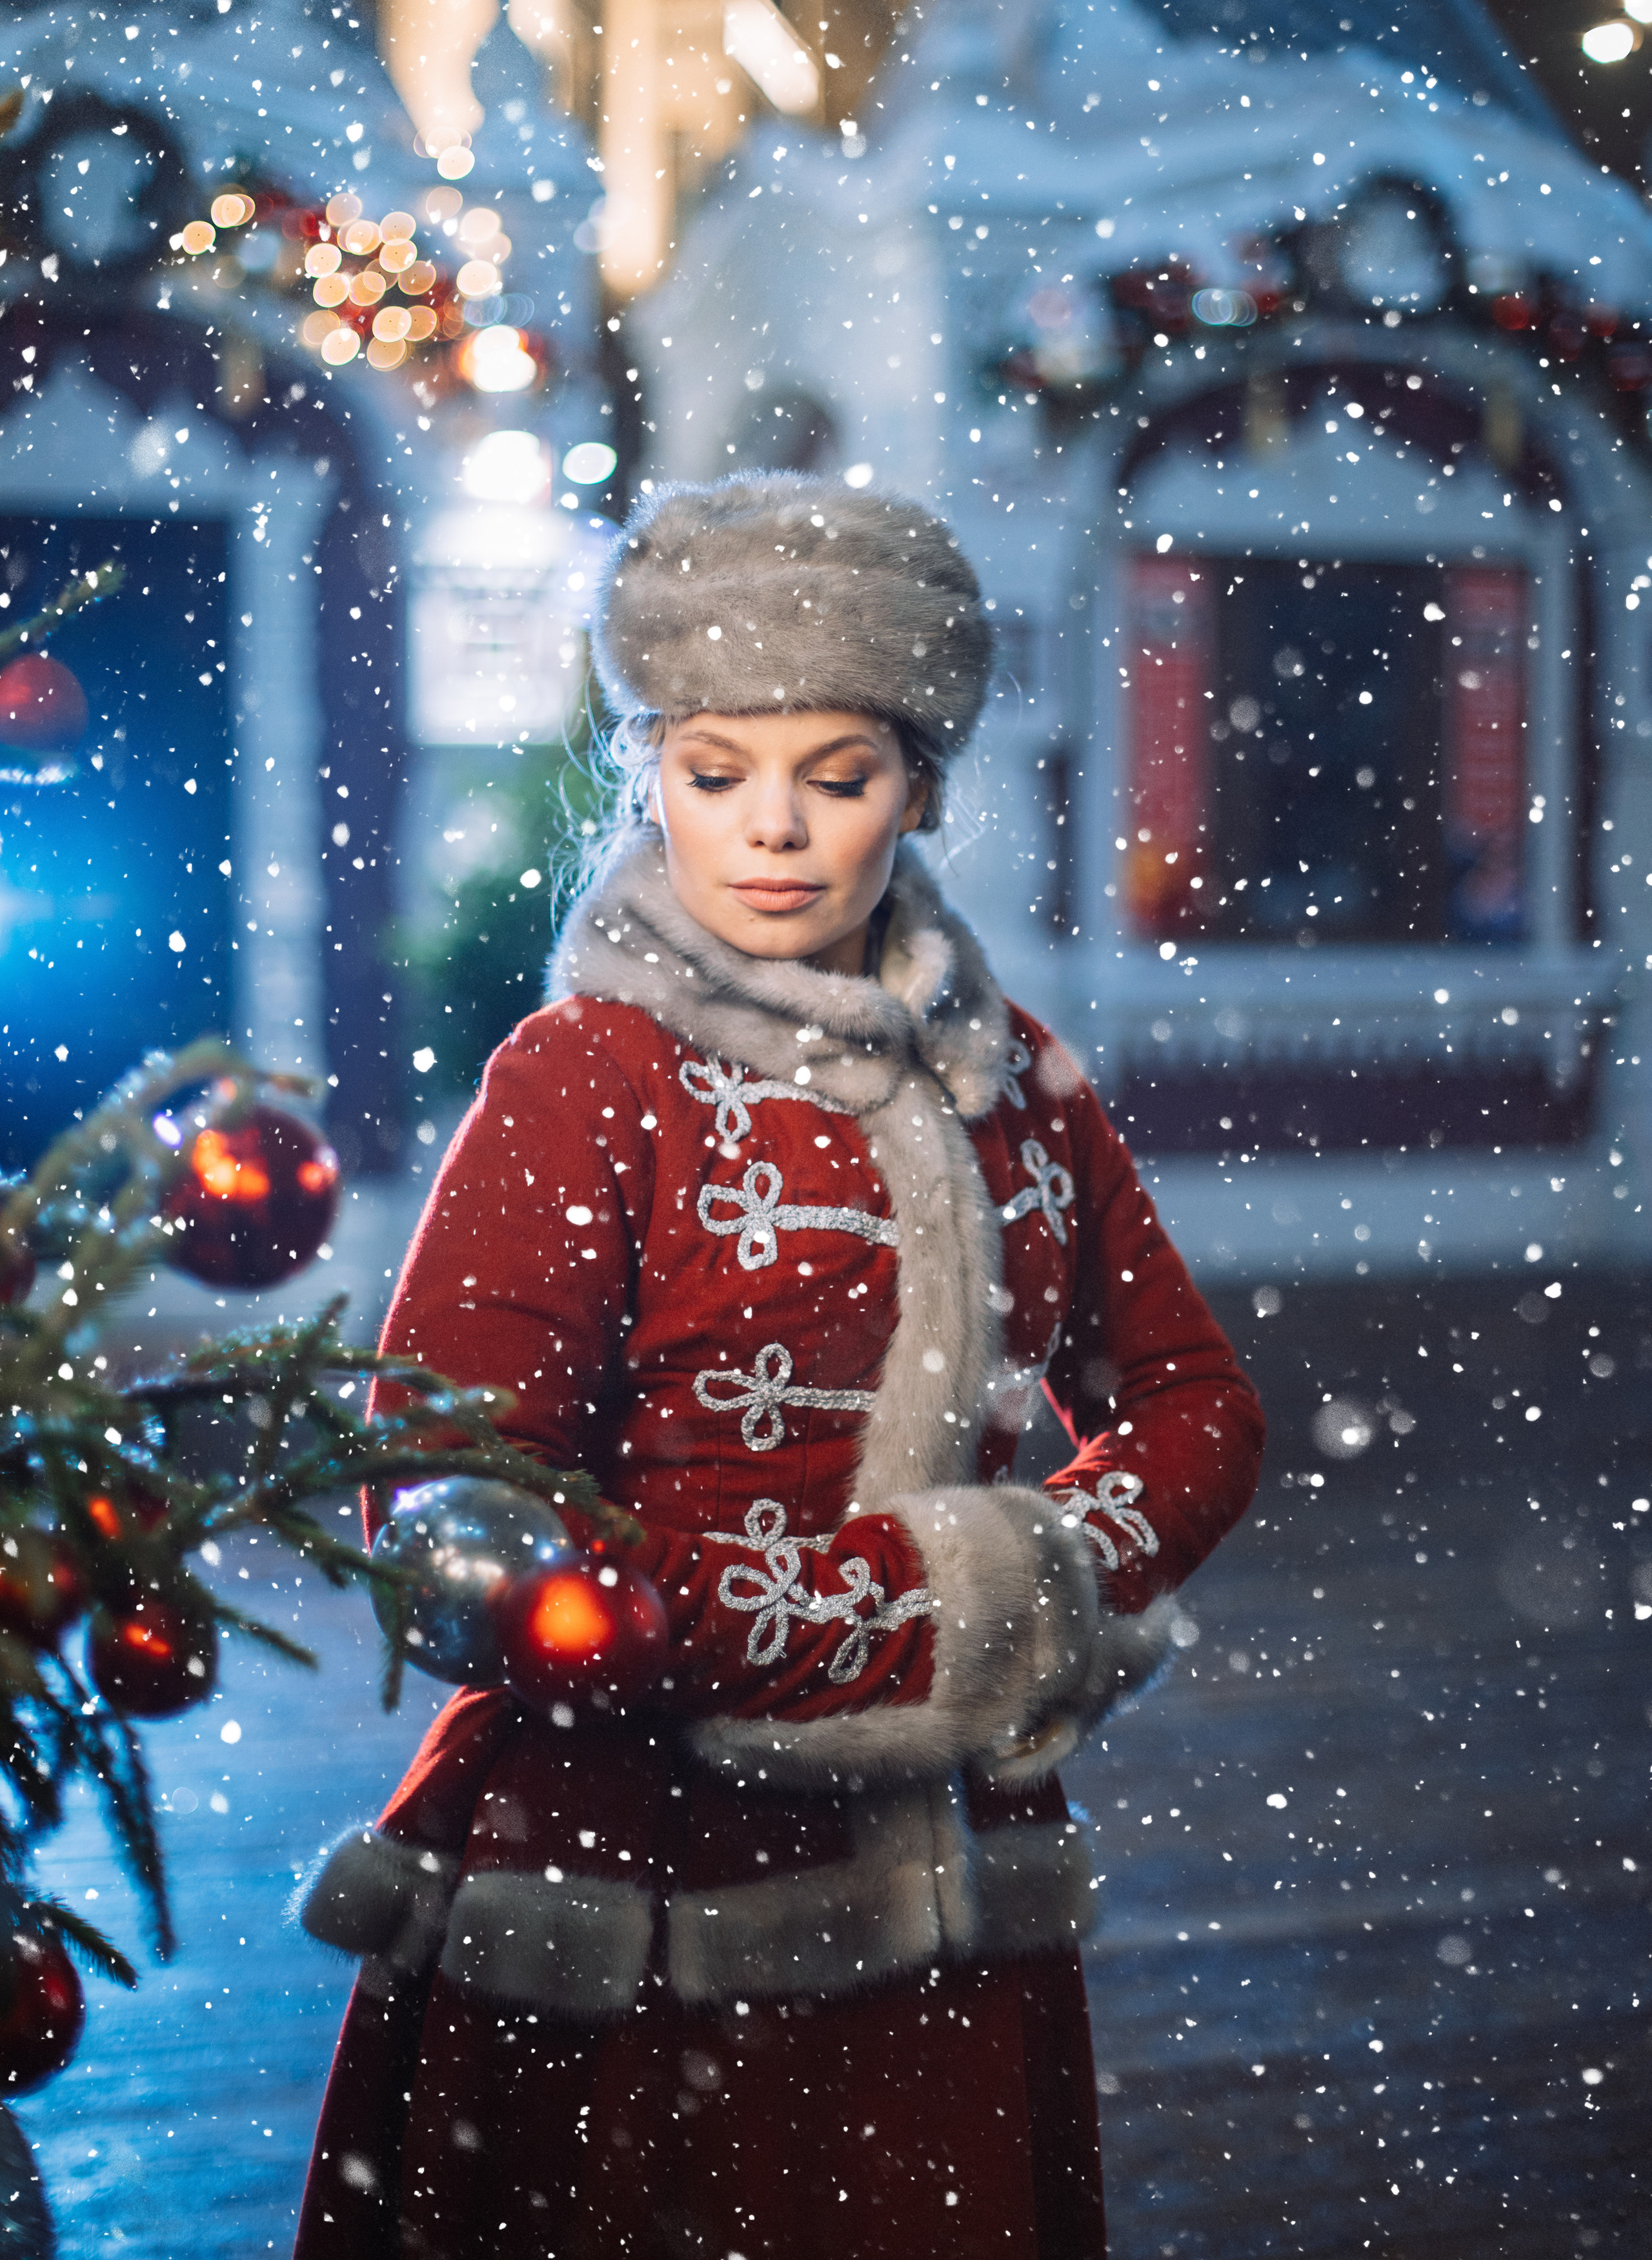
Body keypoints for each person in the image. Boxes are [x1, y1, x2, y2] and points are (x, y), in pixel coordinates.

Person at [294, 474, 1265, 2260]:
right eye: (718, 773)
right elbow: (444, 1492)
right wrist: (750, 1628)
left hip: (951, 1852)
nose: (776, 834)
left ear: (921, 788)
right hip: (630, 1852)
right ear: (651, 770)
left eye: (839, 778)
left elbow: (1199, 1408)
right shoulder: (585, 1077)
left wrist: (1010, 1584)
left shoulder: (1022, 1083)